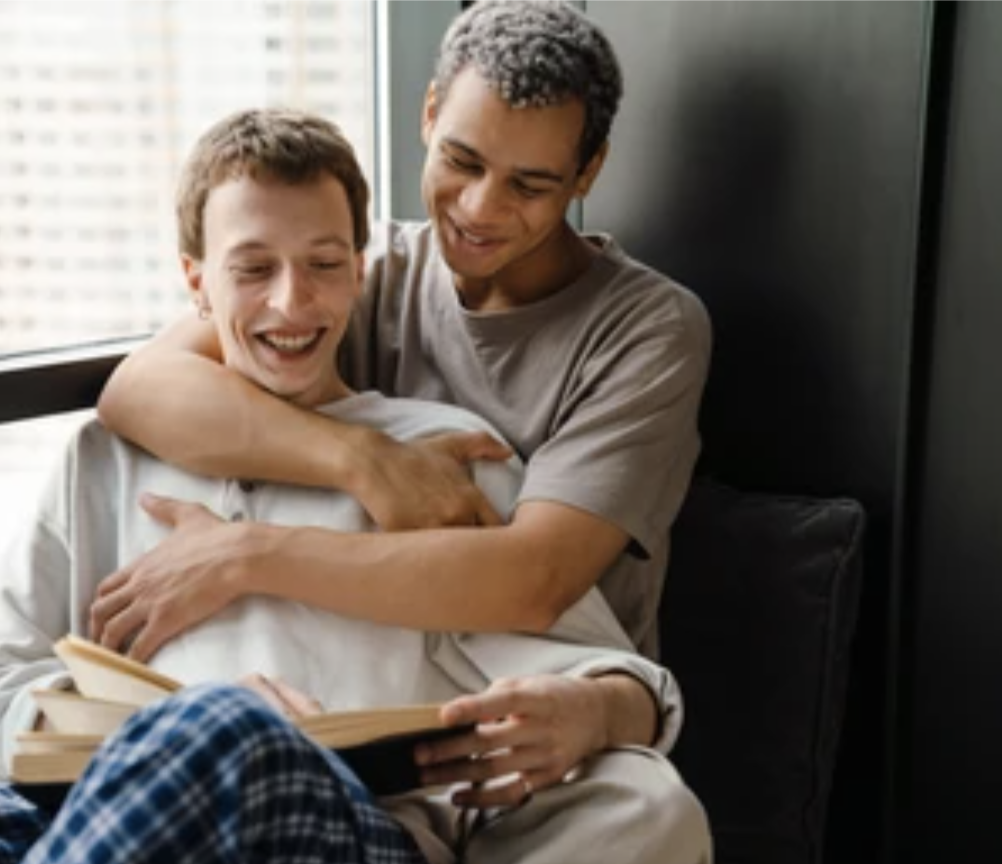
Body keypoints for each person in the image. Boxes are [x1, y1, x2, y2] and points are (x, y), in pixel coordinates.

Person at [0, 108, 711, 864]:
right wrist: (147, 733)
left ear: (359, 272)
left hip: (341, 831)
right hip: (92, 820)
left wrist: (596, 707)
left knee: (225, 729)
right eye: (253, 269)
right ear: (196, 281)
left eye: (324, 266)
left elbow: (600, 671)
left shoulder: (436, 463)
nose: (292, 302)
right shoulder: (106, 458)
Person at [95, 1, 711, 669]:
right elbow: (140, 389)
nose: (480, 208)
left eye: (529, 185)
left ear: (586, 173)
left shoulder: (648, 330)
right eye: (461, 160)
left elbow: (535, 583)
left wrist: (245, 555)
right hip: (371, 672)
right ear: (428, 113)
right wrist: (361, 460)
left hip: (551, 697)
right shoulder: (360, 270)